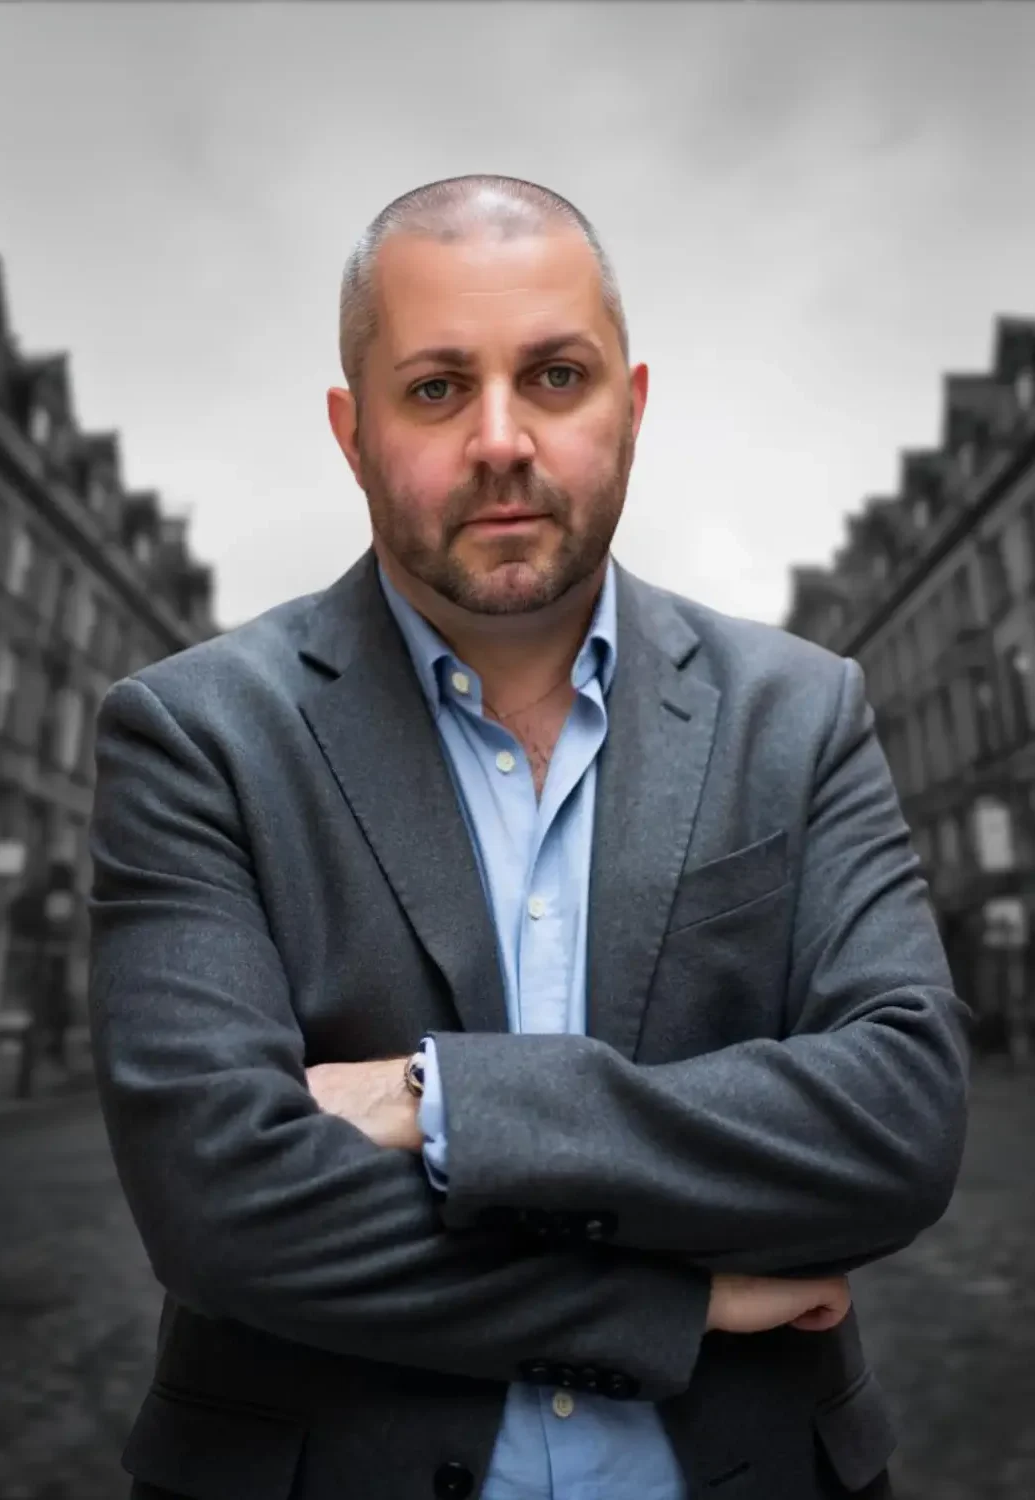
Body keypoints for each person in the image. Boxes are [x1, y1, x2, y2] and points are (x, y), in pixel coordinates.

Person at [88, 174, 970, 1500]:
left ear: (634, 404)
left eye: (556, 376)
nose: (502, 438)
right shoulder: (195, 733)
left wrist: (442, 1098)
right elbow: (224, 1214)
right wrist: (667, 1309)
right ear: (351, 428)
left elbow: (897, 1124)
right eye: (437, 388)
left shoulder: (801, 713)